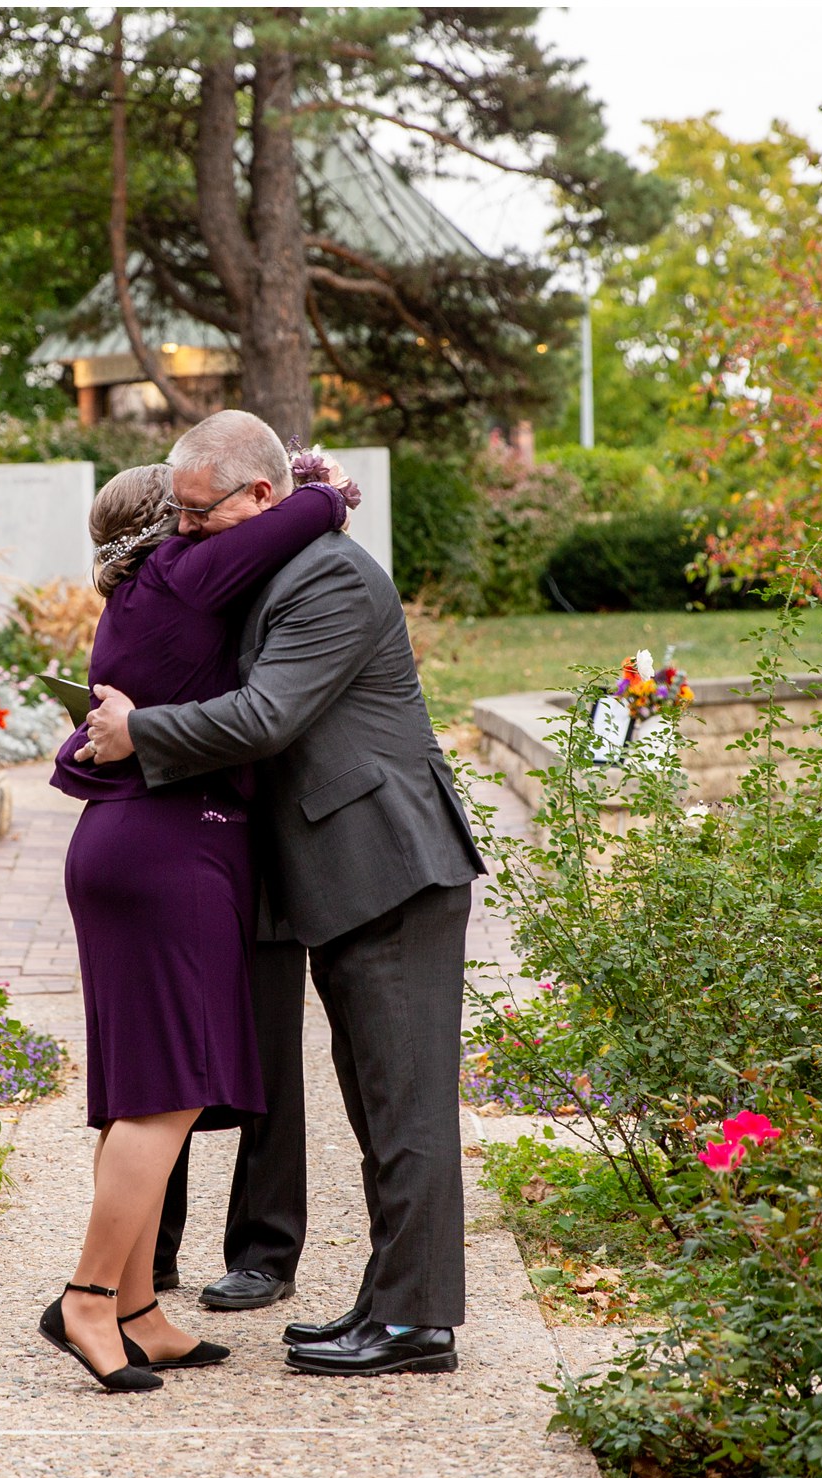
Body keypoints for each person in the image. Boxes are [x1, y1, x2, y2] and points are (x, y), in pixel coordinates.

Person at [84, 409, 486, 1378]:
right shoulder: (278, 566)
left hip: (390, 863)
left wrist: (144, 732)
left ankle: (414, 1320)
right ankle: (390, 1304)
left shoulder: (335, 579)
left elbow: (268, 715)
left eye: (195, 513)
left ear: (261, 495)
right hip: (343, 871)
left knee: (405, 1106)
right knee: (376, 1099)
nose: (181, 529)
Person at [41, 459, 351, 1393]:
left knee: (139, 1084)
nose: (197, 518)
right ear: (164, 529)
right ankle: (89, 1297)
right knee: (168, 1090)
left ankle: (138, 1308)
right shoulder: (178, 570)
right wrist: (316, 482)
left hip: (129, 847)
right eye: (181, 508)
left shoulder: (137, 593)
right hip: (168, 854)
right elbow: (304, 515)